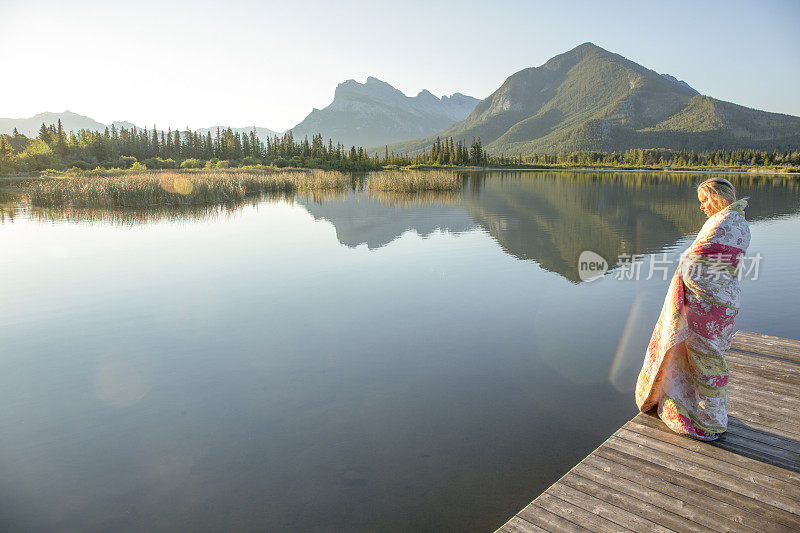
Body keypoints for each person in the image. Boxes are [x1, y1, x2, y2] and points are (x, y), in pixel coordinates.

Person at [635, 177, 750, 441]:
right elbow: (721, 266)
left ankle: (709, 419)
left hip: (707, 303)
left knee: (703, 358)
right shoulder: (740, 223)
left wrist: (682, 271)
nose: (702, 207)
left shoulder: (721, 223)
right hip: (726, 300)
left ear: (716, 197)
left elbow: (697, 263)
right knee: (710, 356)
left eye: (704, 200)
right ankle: (708, 412)